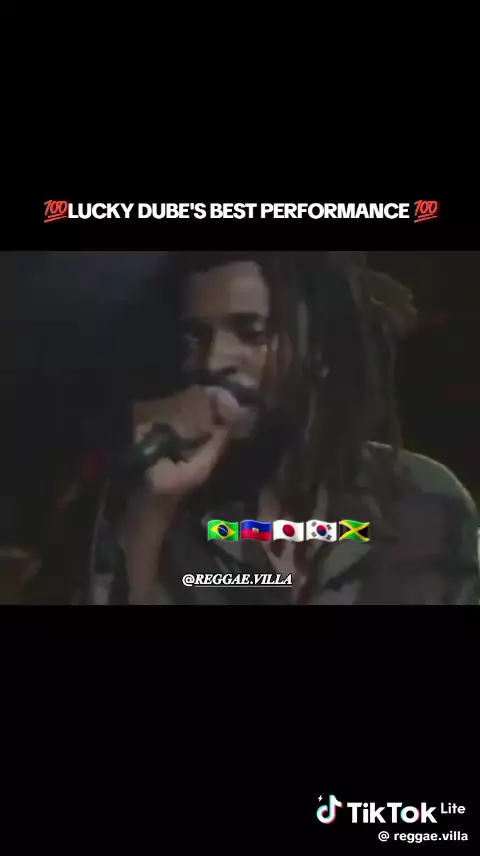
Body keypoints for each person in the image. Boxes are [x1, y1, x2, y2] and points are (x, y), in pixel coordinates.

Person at [28, 251, 480, 605]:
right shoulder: (160, 505)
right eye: (196, 337)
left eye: (252, 332)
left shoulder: (424, 503)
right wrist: (152, 509)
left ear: (319, 350)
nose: (213, 361)